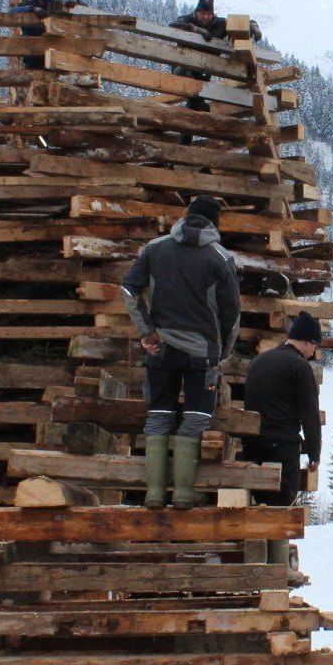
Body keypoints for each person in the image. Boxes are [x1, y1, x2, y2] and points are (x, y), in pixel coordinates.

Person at [120, 195, 241, 510]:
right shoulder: (220, 258)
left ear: (186, 216)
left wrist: (146, 331)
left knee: (159, 417)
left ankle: (155, 494)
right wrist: (222, 351)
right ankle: (184, 494)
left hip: (161, 348)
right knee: (196, 417)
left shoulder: (155, 248)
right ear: (215, 223)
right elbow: (232, 315)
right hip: (202, 352)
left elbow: (129, 289)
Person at [240, 312, 323, 504]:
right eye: (315, 346)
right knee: (280, 508)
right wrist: (314, 454)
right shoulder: (300, 367)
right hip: (283, 448)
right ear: (307, 342)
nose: (313, 352)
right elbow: (310, 415)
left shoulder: (257, 362)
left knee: (255, 505)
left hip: (253, 447)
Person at [9, 0, 87, 69]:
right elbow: (11, 12)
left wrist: (75, 5)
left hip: (55, 57)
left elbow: (83, 10)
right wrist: (32, 9)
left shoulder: (57, 6)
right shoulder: (27, 5)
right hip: (32, 58)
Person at [169, 0, 261, 43]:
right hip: (184, 61)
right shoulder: (187, 19)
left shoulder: (220, 23)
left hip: (208, 65)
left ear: (213, 14)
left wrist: (254, 26)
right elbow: (173, 25)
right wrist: (196, 30)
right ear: (196, 12)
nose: (205, 17)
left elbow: (240, 23)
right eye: (202, 13)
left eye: (209, 14)